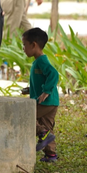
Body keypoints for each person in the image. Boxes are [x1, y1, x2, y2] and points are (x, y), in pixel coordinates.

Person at [22, 28, 59, 163]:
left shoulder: (41, 61)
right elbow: (41, 79)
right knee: (47, 127)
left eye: (24, 45)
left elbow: (54, 74)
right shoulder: (38, 62)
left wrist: (46, 91)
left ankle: (42, 133)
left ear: (34, 45)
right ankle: (51, 155)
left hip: (46, 101)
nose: (23, 49)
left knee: (27, 116)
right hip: (52, 102)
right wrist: (30, 89)